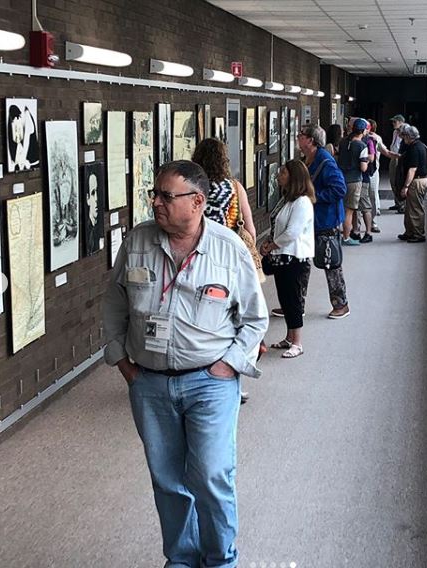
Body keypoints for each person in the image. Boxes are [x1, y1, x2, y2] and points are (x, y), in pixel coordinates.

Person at [103, 160, 268, 568]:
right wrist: (122, 361)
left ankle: (220, 560)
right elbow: (114, 302)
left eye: (165, 196)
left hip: (209, 382)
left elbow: (255, 319)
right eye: (154, 194)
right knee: (167, 480)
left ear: (196, 202)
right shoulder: (138, 241)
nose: (155, 202)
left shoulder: (229, 248)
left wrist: (228, 367)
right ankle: (181, 557)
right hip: (150, 383)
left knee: (211, 477)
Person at [192, 138, 259, 403]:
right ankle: (233, 378)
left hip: (199, 259)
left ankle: (198, 368)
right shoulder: (234, 188)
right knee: (234, 317)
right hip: (229, 260)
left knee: (202, 314)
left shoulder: (194, 188)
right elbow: (250, 230)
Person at [260, 160, 315, 358]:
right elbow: (277, 226)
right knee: (285, 298)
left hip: (294, 258)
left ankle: (297, 343)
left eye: (282, 173)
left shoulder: (302, 202)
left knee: (293, 300)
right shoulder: (287, 200)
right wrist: (268, 243)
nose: (278, 176)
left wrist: (271, 245)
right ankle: (289, 337)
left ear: (293, 177)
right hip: (282, 257)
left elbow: (292, 232)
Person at [299, 124, 351, 319]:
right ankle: (297, 305)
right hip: (309, 220)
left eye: (301, 135)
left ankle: (341, 304)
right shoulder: (308, 159)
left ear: (311, 140)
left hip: (325, 221)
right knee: (301, 262)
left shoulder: (325, 162)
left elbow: (340, 189)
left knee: (330, 262)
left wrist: (314, 196)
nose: (298, 137)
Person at [337, 118, 370, 245]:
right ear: (362, 131)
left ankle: (337, 234)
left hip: (340, 179)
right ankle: (346, 237)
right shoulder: (362, 146)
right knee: (349, 211)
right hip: (354, 180)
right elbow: (363, 167)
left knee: (339, 208)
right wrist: (366, 162)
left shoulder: (343, 142)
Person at [397, 126, 427, 243]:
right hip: (420, 180)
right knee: (410, 208)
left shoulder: (414, 148)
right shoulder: (419, 146)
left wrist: (405, 186)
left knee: (415, 209)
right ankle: (410, 232)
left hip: (417, 181)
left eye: (404, 135)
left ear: (409, 136)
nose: (403, 138)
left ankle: (418, 234)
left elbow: (412, 169)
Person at [388, 114, 407, 212]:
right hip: (393, 156)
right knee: (393, 180)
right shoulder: (395, 131)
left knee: (399, 180)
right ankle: (397, 202)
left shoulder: (406, 131)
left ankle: (402, 204)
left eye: (395, 122)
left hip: (400, 157)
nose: (393, 123)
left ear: (401, 122)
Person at [84, 171, 104, 255]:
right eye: (93, 193)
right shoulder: (88, 230)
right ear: (88, 199)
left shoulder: (100, 228)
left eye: (97, 191)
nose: (96, 198)